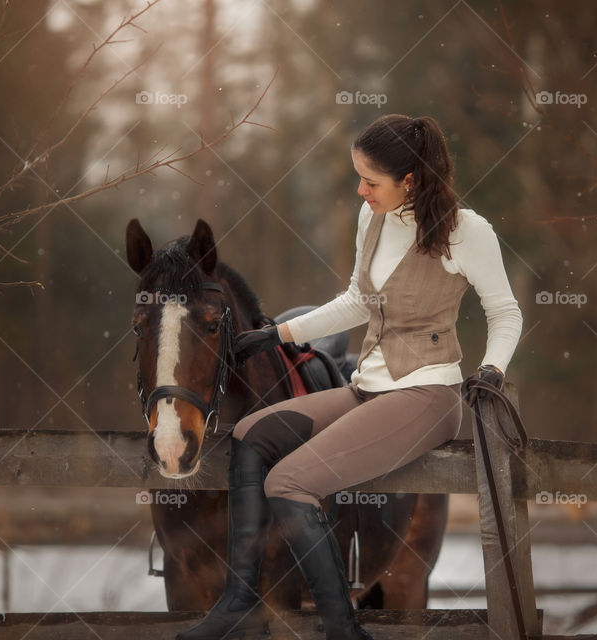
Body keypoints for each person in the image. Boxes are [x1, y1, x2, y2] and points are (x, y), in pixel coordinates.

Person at [174, 114, 522, 640]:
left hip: (427, 396)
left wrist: (492, 369)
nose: (361, 191)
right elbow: (358, 301)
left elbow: (505, 312)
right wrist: (278, 334)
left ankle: (342, 628)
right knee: (248, 437)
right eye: (358, 177)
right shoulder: (373, 219)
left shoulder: (466, 232)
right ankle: (239, 604)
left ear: (411, 180)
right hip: (369, 388)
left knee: (289, 483)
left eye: (371, 181)